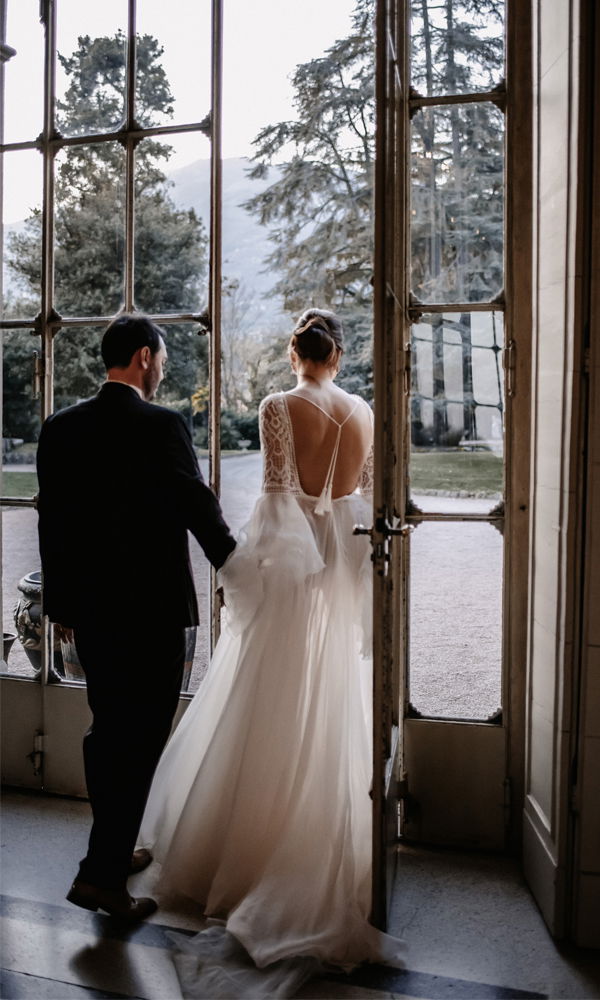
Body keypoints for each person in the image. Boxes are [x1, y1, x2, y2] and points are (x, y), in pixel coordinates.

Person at [139, 308, 404, 993]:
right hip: (343, 560)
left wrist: (247, 575)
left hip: (292, 567)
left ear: (296, 353)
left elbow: (278, 497)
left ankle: (255, 845)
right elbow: (367, 496)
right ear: (338, 356)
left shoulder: (280, 405)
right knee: (329, 686)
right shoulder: (363, 410)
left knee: (268, 693)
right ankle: (320, 831)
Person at [36, 313, 236, 922]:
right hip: (151, 612)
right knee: (141, 739)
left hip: (91, 611)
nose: (163, 364)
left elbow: (53, 523)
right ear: (145, 357)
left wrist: (61, 604)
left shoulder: (60, 428)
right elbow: (196, 505)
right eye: (163, 356)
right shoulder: (162, 424)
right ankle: (100, 876)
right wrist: (239, 564)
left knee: (107, 732)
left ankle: (113, 851)